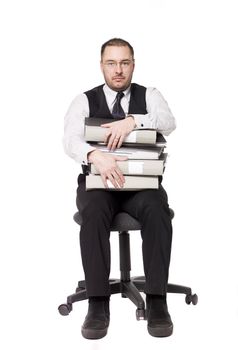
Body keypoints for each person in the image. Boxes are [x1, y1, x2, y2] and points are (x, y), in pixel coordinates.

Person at [63, 38, 176, 339]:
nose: (118, 70)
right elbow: (70, 139)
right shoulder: (84, 100)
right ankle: (98, 303)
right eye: (111, 63)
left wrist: (133, 121)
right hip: (99, 184)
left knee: (157, 209)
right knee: (95, 211)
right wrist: (94, 155)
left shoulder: (149, 95)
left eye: (124, 63)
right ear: (102, 66)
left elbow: (168, 121)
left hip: (141, 185)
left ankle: (157, 300)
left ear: (133, 64)